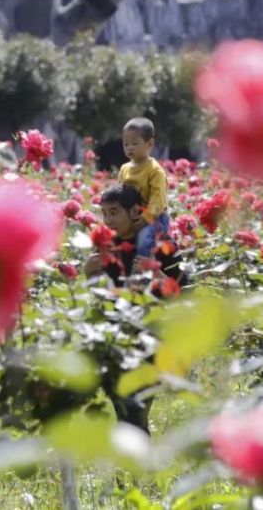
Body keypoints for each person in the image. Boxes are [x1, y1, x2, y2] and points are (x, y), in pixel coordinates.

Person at [83, 184, 186, 434]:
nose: (108, 220)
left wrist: (158, 276)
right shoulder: (105, 246)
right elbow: (100, 295)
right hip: (116, 337)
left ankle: (134, 468)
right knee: (126, 412)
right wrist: (88, 273)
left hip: (152, 338)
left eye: (114, 212)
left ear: (135, 211)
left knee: (133, 410)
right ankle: (134, 469)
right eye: (104, 213)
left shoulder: (161, 245)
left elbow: (185, 294)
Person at [117, 117, 169, 259]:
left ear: (149, 144)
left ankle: (145, 270)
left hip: (154, 219)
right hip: (132, 217)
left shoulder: (155, 171)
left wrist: (145, 218)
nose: (129, 148)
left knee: (143, 240)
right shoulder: (124, 169)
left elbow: (158, 201)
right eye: (126, 144)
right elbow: (119, 196)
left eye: (134, 143)